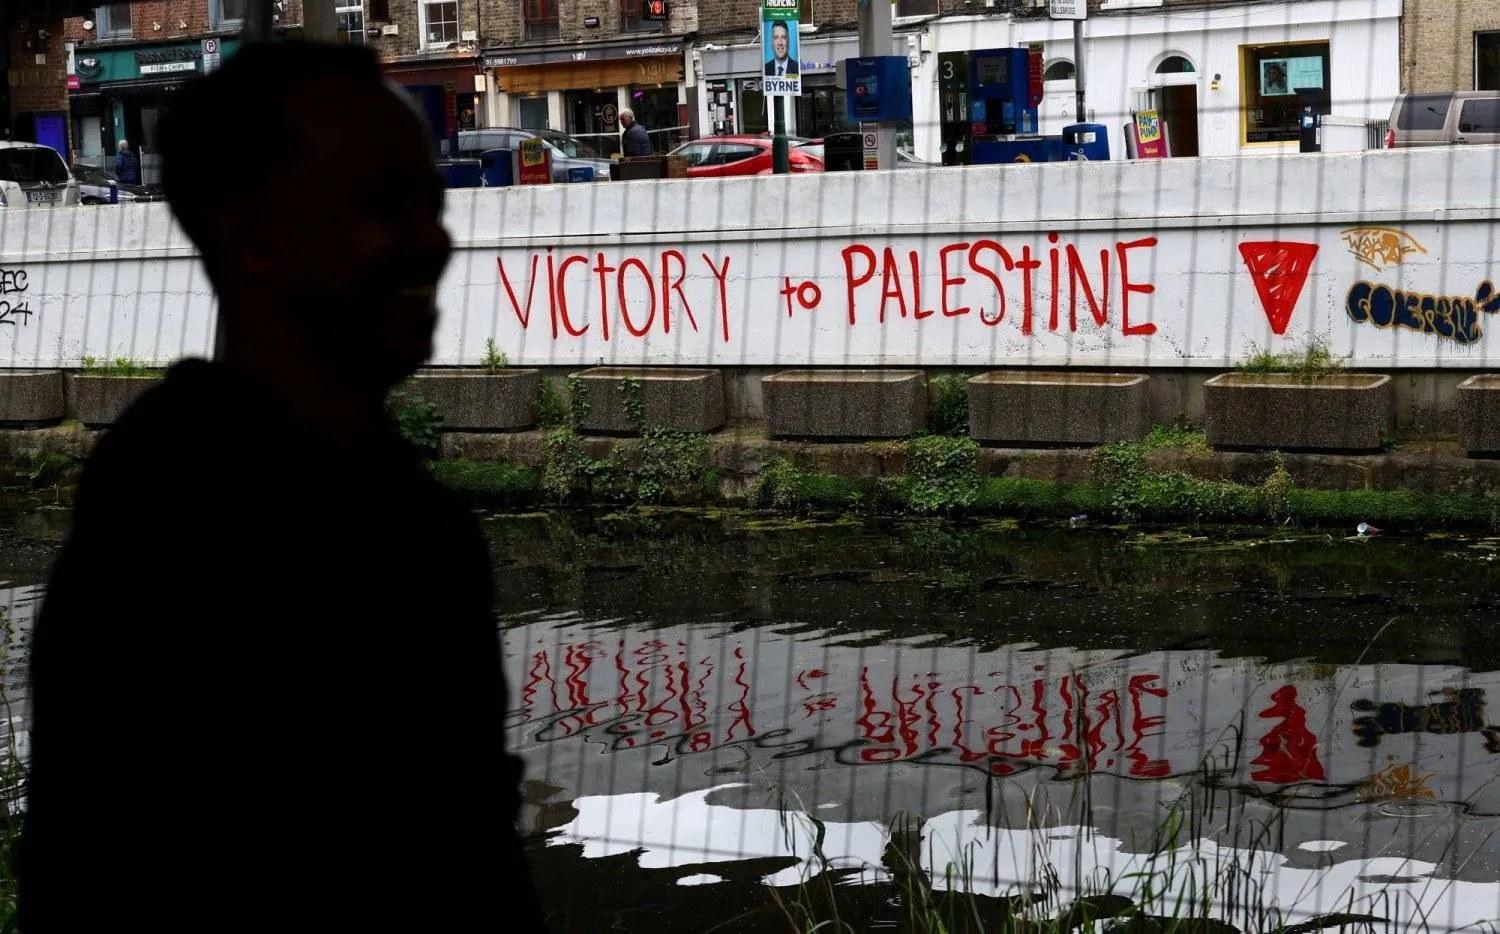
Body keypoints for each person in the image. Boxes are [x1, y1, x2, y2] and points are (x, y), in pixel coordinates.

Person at [18, 42, 546, 934]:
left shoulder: (385, 514)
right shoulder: (184, 555)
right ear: (255, 237)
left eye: (428, 202)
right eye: (381, 204)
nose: (433, 241)